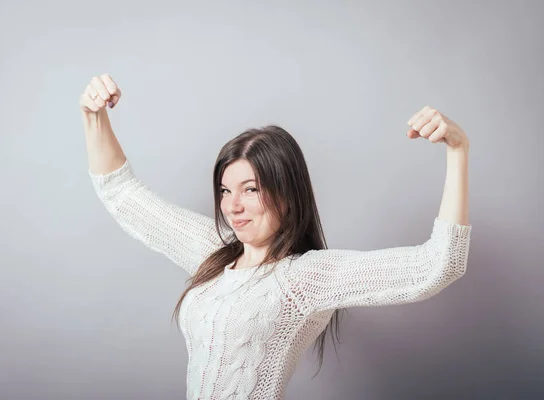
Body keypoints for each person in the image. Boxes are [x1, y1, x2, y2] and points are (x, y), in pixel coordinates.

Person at [79, 73, 472, 399]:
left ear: (287, 194)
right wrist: (93, 115)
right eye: (225, 191)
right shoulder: (213, 254)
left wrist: (457, 150)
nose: (232, 206)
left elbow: (439, 265)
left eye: (250, 189)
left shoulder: (304, 278)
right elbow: (121, 194)